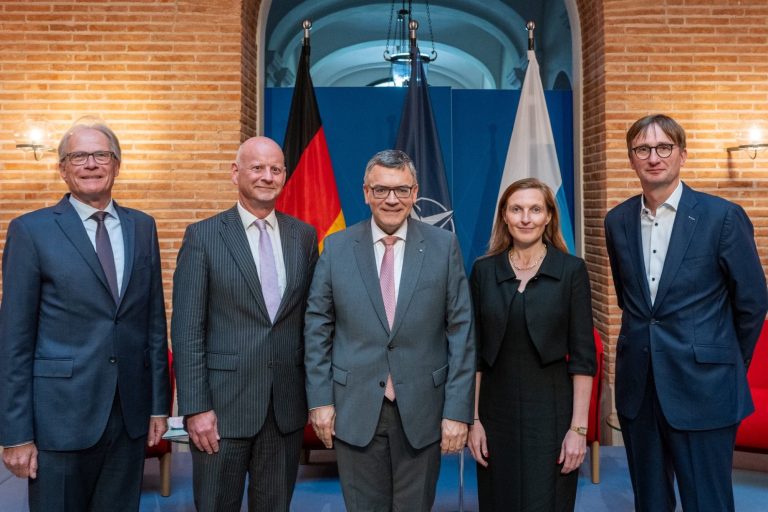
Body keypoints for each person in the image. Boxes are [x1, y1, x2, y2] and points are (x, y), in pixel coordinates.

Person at [0, 119, 170, 511]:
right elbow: (15, 340)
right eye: (79, 156)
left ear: (117, 164)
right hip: (59, 417)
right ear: (62, 168)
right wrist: (16, 434)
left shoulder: (142, 227)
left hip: (128, 415)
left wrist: (159, 404)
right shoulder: (31, 231)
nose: (91, 164)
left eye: (101, 155)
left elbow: (153, 323)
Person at [605, 114, 768, 512]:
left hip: (705, 388)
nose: (653, 157)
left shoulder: (721, 217)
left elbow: (752, 302)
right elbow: (631, 300)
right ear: (631, 159)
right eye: (643, 149)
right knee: (651, 502)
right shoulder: (617, 221)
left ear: (682, 154)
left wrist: (723, 361)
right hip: (640, 389)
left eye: (664, 148)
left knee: (707, 502)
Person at [304, 149, 475, 511]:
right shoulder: (336, 248)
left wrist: (458, 410)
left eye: (400, 190)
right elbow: (317, 326)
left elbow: (461, 331)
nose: (391, 200)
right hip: (354, 408)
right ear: (366, 193)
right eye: (381, 190)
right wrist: (320, 400)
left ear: (415, 193)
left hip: (423, 410)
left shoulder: (444, 247)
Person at [171, 136, 318, 512]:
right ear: (236, 173)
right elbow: (187, 331)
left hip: (284, 409)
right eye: (257, 168)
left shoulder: (303, 236)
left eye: (276, 169)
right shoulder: (203, 236)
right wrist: (196, 408)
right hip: (221, 411)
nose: (267, 176)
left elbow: (311, 322)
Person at [467, 178, 596, 511]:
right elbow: (475, 355)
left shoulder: (571, 271)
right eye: (517, 209)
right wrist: (474, 421)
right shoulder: (483, 271)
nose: (526, 218)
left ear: (549, 216)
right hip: (495, 415)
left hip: (552, 414)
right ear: (505, 217)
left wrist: (578, 429)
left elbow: (583, 359)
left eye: (535, 209)